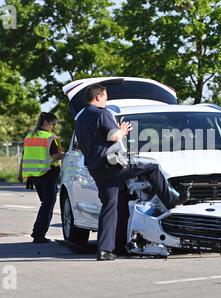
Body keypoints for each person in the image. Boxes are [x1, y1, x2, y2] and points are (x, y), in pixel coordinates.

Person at [75, 84, 189, 261]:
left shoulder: (81, 118)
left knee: (109, 206)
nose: (106, 100)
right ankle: (171, 199)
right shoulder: (102, 113)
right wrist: (122, 130)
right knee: (152, 167)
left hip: (95, 168)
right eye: (105, 97)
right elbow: (113, 136)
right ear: (98, 97)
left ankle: (105, 250)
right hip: (111, 165)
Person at [18, 112, 64, 244]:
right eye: (53, 124)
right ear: (45, 123)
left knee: (45, 204)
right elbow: (55, 156)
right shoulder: (50, 138)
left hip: (34, 177)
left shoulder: (29, 136)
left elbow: (24, 156)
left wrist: (20, 174)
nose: (54, 127)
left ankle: (38, 233)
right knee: (48, 204)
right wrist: (64, 155)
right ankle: (38, 234)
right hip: (48, 174)